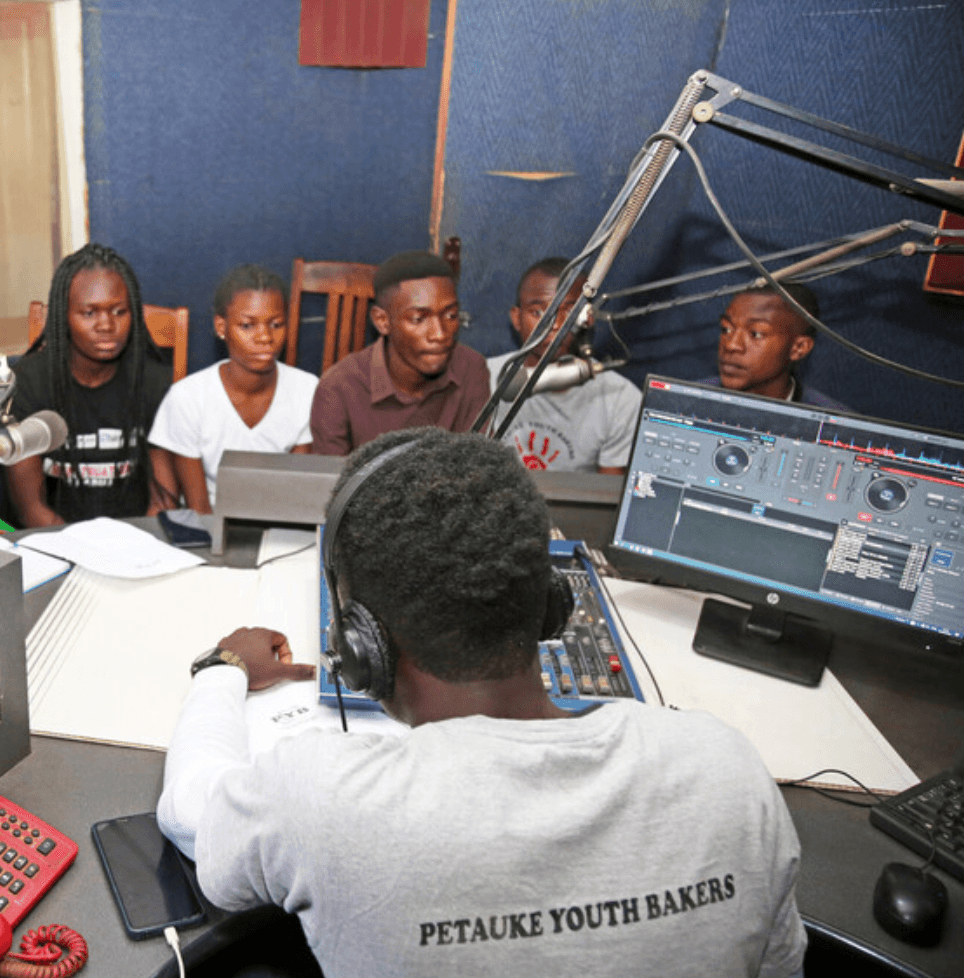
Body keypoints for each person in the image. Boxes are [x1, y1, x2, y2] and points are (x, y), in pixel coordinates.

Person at [157, 428, 807, 978]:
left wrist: (224, 668)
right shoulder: (727, 771)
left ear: (360, 642)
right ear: (552, 606)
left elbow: (191, 812)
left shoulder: (320, 802)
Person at [4, 243, 176, 526]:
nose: (106, 324)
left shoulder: (154, 382)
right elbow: (31, 509)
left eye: (119, 311)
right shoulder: (30, 382)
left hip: (137, 541)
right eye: (89, 313)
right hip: (58, 542)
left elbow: (163, 502)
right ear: (64, 317)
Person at [148, 265, 318, 512]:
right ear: (221, 327)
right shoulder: (189, 398)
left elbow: (295, 496)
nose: (265, 337)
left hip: (276, 522)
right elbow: (200, 508)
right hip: (210, 524)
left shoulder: (307, 390)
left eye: (276, 324)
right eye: (247, 325)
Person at [309, 251, 489, 454]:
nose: (439, 334)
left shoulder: (471, 369)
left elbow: (477, 468)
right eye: (418, 319)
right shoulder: (339, 389)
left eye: (450, 315)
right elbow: (330, 482)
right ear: (382, 321)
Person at [487, 257, 641, 473]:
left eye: (568, 311)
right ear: (517, 318)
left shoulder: (620, 400)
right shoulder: (482, 378)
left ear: (588, 318)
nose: (556, 324)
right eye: (538, 312)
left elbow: (607, 496)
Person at [704, 282, 847, 410]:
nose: (731, 344)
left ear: (799, 347)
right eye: (726, 329)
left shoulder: (838, 426)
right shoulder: (687, 400)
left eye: (756, 333)